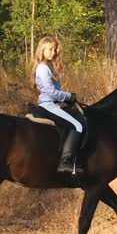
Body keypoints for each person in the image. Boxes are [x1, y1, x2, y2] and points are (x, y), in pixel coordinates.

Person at [32, 36, 84, 173]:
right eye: (50, 49)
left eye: (55, 50)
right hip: (48, 105)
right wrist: (69, 96)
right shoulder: (43, 68)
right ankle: (65, 162)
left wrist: (65, 101)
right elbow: (51, 92)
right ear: (42, 50)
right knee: (78, 125)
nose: (53, 52)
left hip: (55, 104)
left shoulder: (50, 66)